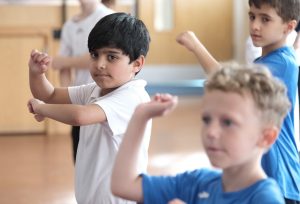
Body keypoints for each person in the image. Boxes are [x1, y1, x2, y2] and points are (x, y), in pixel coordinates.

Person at [176, 0, 300, 203]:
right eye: (252, 16)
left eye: (265, 19)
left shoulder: (283, 63)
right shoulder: (267, 61)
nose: (255, 25)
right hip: (265, 174)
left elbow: (228, 79)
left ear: (289, 27)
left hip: (279, 176)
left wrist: (195, 46)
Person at [111, 65, 289, 204]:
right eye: (206, 119)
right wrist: (141, 116)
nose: (211, 132)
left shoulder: (265, 198)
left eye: (227, 122)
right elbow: (123, 185)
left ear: (266, 137)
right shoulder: (198, 183)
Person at [27, 12, 151, 204]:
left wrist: (42, 109)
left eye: (111, 57)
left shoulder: (132, 96)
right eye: (95, 55)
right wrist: (36, 74)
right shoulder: (95, 89)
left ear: (137, 63)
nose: (100, 64)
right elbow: (49, 94)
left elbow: (80, 116)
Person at [51, 0, 115, 163]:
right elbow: (61, 67)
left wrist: (65, 61)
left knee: (102, 161)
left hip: (104, 100)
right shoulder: (69, 25)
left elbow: (101, 58)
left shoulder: (107, 17)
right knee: (79, 159)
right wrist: (67, 99)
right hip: (80, 101)